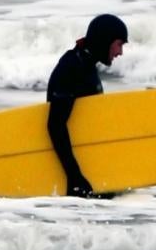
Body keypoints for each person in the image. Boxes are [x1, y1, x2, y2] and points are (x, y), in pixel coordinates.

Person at [46, 13, 128, 196]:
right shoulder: (72, 66)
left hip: (88, 170)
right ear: (105, 40)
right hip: (75, 177)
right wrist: (74, 177)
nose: (120, 52)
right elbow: (55, 125)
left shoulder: (86, 65)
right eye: (119, 44)